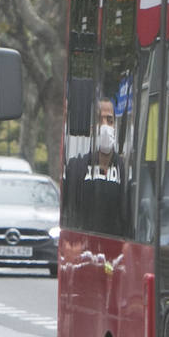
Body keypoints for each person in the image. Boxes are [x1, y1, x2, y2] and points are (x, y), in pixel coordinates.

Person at [64, 98, 128, 236]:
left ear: (115, 127)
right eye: (100, 120)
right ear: (92, 128)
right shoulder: (77, 166)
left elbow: (125, 216)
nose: (105, 126)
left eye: (109, 121)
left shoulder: (122, 168)